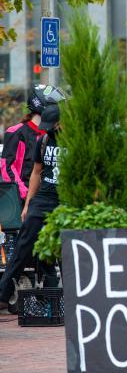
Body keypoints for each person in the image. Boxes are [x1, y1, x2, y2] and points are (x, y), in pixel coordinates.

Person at [0, 101, 65, 312]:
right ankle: (3, 293)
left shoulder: (75, 141)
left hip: (65, 200)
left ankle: (71, 299)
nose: (49, 128)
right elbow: (37, 172)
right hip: (43, 198)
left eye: (53, 124)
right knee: (23, 246)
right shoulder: (44, 140)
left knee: (64, 252)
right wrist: (28, 203)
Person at [1, 84, 65, 202]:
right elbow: (7, 167)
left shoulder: (55, 134)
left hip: (47, 198)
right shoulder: (16, 132)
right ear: (42, 105)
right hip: (22, 199)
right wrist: (25, 194)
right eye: (55, 104)